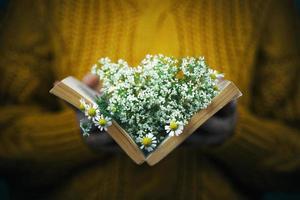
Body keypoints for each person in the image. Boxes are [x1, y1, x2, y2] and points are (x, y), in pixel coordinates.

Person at [0, 0, 299, 199]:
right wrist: (77, 134)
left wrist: (236, 134)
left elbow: (292, 165)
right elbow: (7, 148)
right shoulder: (41, 6)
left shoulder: (265, 7)